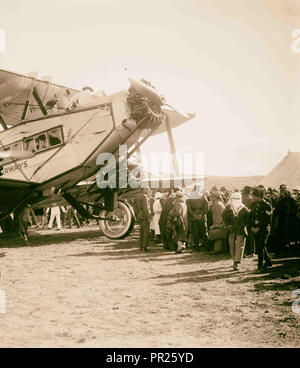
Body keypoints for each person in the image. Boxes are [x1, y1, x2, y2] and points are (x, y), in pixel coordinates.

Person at [222, 191, 249, 270]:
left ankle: (235, 261)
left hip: (232, 229)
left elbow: (223, 216)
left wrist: (227, 225)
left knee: (233, 246)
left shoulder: (228, 207)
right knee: (239, 246)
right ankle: (236, 261)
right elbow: (248, 219)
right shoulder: (244, 208)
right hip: (239, 229)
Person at [248, 188, 272, 272]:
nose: (252, 197)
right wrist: (252, 227)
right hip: (254, 228)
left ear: (259, 196)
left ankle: (260, 266)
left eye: (254, 195)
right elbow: (250, 217)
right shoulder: (252, 204)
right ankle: (268, 261)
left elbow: (267, 219)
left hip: (263, 229)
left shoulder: (267, 205)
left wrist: (259, 227)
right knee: (261, 246)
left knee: (260, 246)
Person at [186, 184, 209, 251]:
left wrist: (193, 215)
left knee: (195, 232)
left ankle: (196, 247)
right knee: (204, 231)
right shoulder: (203, 196)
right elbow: (206, 207)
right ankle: (206, 246)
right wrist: (202, 214)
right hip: (202, 216)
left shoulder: (190, 197)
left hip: (194, 216)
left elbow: (188, 208)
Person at [209, 188, 225, 253]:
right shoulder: (216, 203)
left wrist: (216, 225)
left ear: (215, 197)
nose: (210, 197)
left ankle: (217, 249)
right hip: (218, 223)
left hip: (219, 223)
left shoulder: (218, 205)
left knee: (217, 235)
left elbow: (219, 216)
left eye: (212, 196)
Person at [136, 186, 151, 251]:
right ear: (143, 189)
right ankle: (145, 246)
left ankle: (141, 246)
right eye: (147, 188)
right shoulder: (145, 197)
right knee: (146, 232)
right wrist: (148, 217)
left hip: (140, 215)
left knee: (141, 232)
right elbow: (146, 208)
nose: (148, 190)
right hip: (144, 216)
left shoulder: (139, 196)